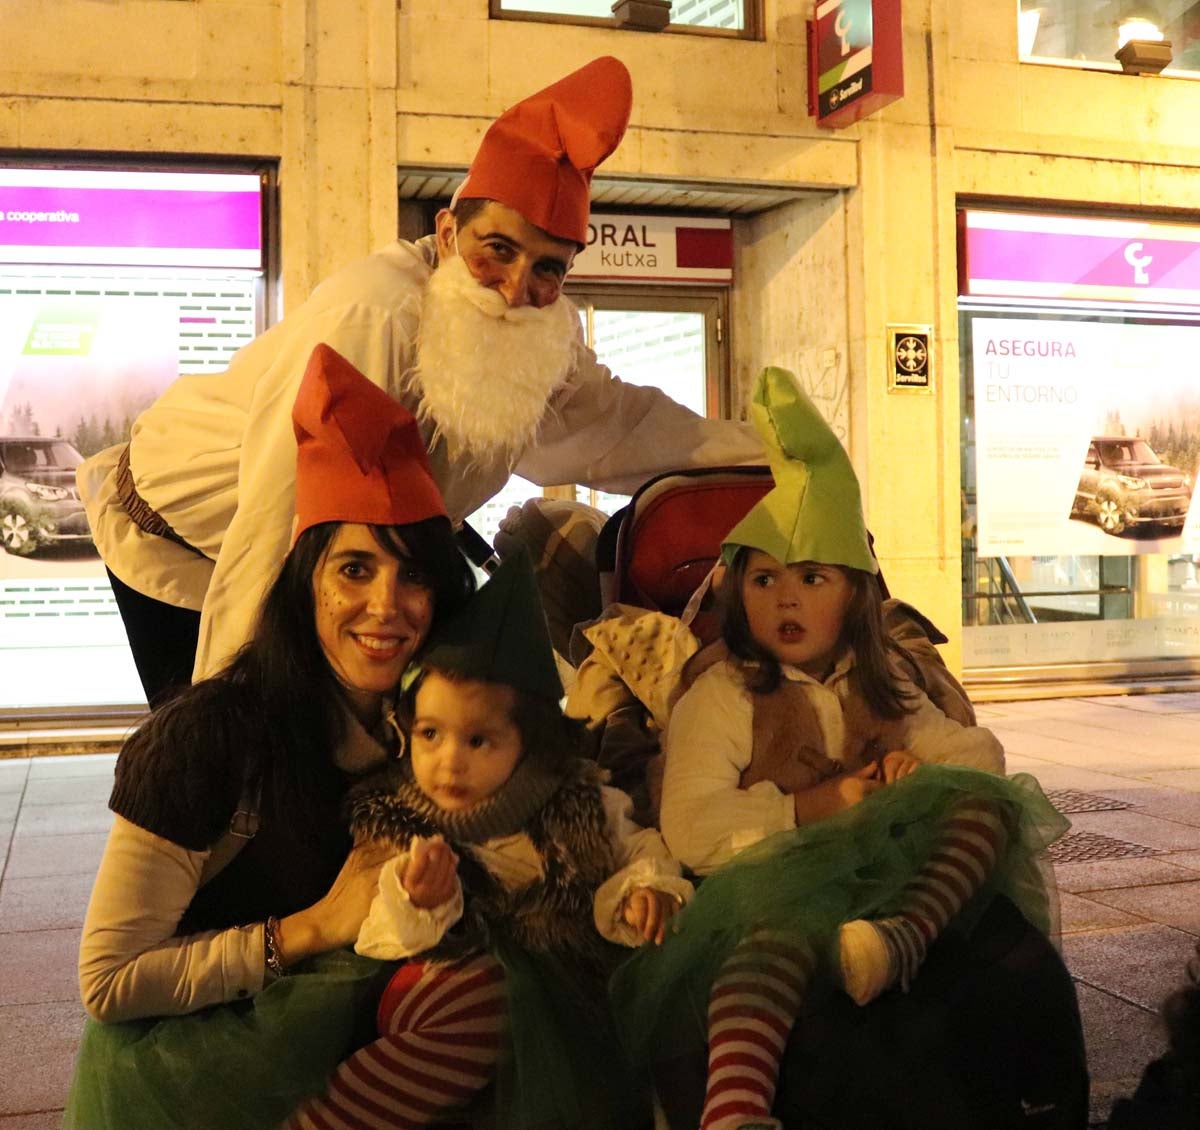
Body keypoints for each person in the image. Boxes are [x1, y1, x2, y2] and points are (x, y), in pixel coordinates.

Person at [77, 54, 762, 706]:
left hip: (346, 567)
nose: (515, 289)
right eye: (498, 249)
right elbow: (271, 523)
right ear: (445, 232)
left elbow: (623, 428)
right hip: (180, 541)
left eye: (548, 268)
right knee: (227, 762)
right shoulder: (373, 315)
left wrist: (768, 450)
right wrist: (227, 739)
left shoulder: (542, 336)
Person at [611, 367, 1068, 1130]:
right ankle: (735, 1107)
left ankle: (904, 936)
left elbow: (979, 755)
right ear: (735, 591)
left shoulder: (883, 680)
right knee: (765, 948)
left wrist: (916, 771)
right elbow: (691, 825)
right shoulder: (724, 694)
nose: (785, 598)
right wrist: (821, 803)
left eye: (812, 578)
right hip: (768, 878)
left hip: (892, 880)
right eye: (764, 580)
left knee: (987, 806)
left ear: (856, 594)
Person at [62, 344, 477, 1130]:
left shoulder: (434, 729)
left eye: (413, 574)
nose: (387, 606)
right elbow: (108, 981)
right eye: (355, 570)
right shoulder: (211, 737)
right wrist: (316, 925)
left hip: (358, 1050)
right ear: (306, 582)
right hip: (199, 1076)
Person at [286, 549, 694, 1130]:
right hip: (438, 993)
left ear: (528, 742)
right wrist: (418, 901)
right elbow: (377, 936)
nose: (448, 761)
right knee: (480, 1006)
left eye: (478, 741)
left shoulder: (579, 801)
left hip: (566, 1004)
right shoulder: (399, 819)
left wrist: (641, 893)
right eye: (431, 734)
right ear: (405, 730)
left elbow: (638, 851)